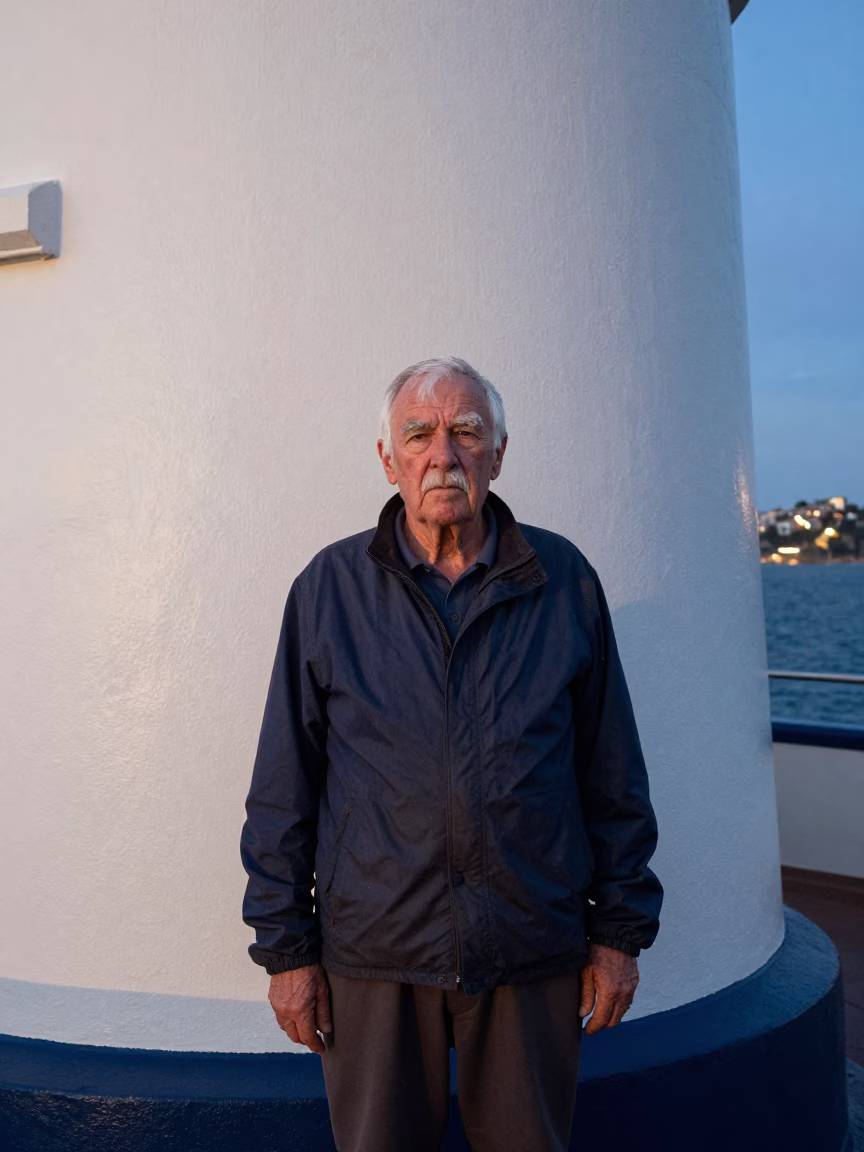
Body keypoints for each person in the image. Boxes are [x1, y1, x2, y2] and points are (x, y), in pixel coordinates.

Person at [240, 357, 663, 1152]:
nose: (444, 453)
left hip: (531, 944)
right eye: (420, 434)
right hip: (373, 954)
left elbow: (613, 773)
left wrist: (619, 935)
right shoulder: (328, 590)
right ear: (387, 458)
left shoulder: (563, 580)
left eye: (467, 431)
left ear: (498, 454)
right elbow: (282, 786)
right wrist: (286, 952)